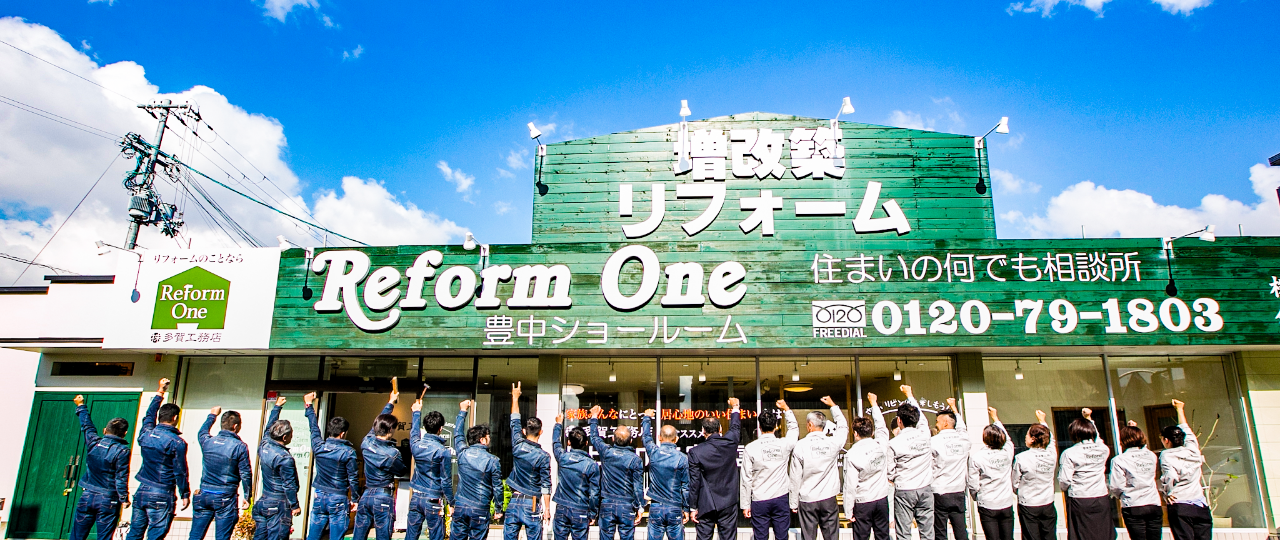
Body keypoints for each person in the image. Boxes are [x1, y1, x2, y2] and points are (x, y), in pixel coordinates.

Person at [126, 378, 191, 540]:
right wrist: (185, 493)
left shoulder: (146, 434)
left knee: (134, 533)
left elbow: (148, 416)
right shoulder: (177, 442)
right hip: (162, 492)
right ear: (175, 418)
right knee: (155, 536)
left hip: (142, 489)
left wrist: (160, 392)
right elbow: (180, 471)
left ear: (160, 416)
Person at [69, 394, 131, 540]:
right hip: (108, 498)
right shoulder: (122, 451)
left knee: (77, 536)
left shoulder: (93, 443)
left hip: (87, 494)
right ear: (124, 433)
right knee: (104, 537)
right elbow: (121, 477)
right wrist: (124, 498)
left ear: (104, 430)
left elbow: (87, 426)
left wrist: (81, 406)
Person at [303, 392, 361, 540]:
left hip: (319, 495)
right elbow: (353, 478)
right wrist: (355, 499)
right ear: (342, 434)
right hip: (338, 496)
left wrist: (309, 406)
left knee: (313, 536)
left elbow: (313, 429)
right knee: (336, 536)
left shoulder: (319, 446)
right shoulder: (348, 452)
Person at [190, 405, 252, 540]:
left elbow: (202, 432)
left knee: (195, 536)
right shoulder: (239, 447)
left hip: (204, 494)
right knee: (222, 537)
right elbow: (245, 473)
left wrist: (212, 415)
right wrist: (247, 496)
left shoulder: (208, 441)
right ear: (235, 427)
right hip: (225, 496)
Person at [789, 396, 847, 540]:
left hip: (807, 499)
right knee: (831, 536)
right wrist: (833, 406)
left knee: (808, 537)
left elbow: (795, 477)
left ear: (809, 425)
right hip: (828, 497)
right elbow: (843, 427)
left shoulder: (800, 446)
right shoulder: (833, 443)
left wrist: (793, 502)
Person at [354, 388, 409, 540]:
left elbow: (376, 423)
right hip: (383, 495)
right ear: (390, 430)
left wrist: (390, 402)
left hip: (366, 494)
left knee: (359, 535)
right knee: (383, 535)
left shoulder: (367, 442)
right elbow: (401, 470)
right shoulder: (392, 454)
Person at [741, 400, 799, 540]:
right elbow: (794, 430)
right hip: (781, 497)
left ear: (759, 427)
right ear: (776, 427)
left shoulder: (751, 447)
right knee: (782, 536)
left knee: (760, 537)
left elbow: (746, 478)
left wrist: (745, 504)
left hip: (759, 499)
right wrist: (786, 409)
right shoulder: (783, 444)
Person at [688, 398, 743, 540]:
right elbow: (735, 427)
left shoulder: (696, 452)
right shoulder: (730, 442)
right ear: (720, 429)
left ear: (702, 431)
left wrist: (693, 507)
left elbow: (695, 482)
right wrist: (735, 407)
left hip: (706, 502)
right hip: (728, 501)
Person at [588, 404, 645, 540]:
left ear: (613, 439)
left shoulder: (607, 452)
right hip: (626, 504)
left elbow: (594, 437)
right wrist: (640, 507)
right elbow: (637, 486)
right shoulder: (635, 460)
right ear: (631, 441)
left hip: (607, 503)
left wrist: (594, 417)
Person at [1058, 408, 1114, 540]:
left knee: (1081, 533)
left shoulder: (1069, 453)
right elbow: (1098, 439)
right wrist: (1089, 419)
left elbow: (1064, 481)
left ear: (1074, 434)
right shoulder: (1103, 449)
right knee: (1103, 532)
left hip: (1080, 498)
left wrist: (1065, 487)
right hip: (1101, 497)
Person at [505, 382, 552, 540]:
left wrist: (515, 398)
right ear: (541, 432)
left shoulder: (518, 444)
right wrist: (546, 509)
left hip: (513, 500)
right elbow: (546, 485)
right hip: (531, 503)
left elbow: (514, 420)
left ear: (524, 431)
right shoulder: (544, 456)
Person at [452, 399, 505, 540]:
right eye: (488, 437)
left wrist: (463, 411)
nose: (489, 440)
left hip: (461, 505)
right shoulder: (492, 460)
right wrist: (498, 508)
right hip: (480, 507)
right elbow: (498, 487)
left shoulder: (462, 454)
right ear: (482, 440)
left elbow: (457, 434)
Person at [888, 385, 935, 540]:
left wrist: (895, 477)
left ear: (899, 421)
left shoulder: (894, 443)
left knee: (903, 533)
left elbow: (889, 471)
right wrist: (909, 394)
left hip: (904, 489)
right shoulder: (925, 435)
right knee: (927, 532)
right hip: (925, 487)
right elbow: (922, 419)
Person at [1160, 399, 1211, 540]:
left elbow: (1170, 475)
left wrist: (1167, 492)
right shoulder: (1193, 450)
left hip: (1180, 503)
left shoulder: (1167, 454)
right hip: (1200, 504)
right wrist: (1180, 409)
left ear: (1166, 440)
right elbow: (1186, 430)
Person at [843, 393, 891, 540]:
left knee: (861, 537)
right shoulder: (881, 445)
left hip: (863, 501)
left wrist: (848, 510)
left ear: (855, 433)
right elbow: (882, 427)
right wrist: (874, 404)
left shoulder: (851, 454)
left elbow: (850, 485)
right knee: (883, 535)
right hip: (882, 498)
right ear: (872, 432)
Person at [405, 396, 454, 540]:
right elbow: (445, 480)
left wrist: (416, 412)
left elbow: (413, 433)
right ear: (440, 429)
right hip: (433, 498)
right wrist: (451, 502)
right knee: (436, 536)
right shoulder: (442, 451)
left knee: (411, 535)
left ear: (425, 428)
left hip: (416, 496)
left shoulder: (416, 445)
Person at [922, 391, 969, 540]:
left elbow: (928, 465)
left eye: (937, 421)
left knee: (940, 531)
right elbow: (962, 428)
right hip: (959, 490)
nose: (936, 424)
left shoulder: (933, 442)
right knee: (961, 530)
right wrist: (954, 408)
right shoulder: (963, 440)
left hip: (939, 491)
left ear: (945, 423)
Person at [254, 396, 301, 540]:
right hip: (279, 503)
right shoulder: (284, 458)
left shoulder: (264, 445)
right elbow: (289, 485)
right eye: (291, 434)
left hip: (264, 500)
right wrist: (295, 505)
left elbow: (268, 428)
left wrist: (277, 407)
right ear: (286, 437)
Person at [551, 413, 601, 540]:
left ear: (568, 442)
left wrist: (558, 424)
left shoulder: (563, 458)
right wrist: (593, 513)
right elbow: (594, 493)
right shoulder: (591, 465)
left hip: (562, 507)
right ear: (586, 442)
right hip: (581, 509)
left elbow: (556, 443)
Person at [642, 408, 690, 540]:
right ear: (676, 439)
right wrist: (686, 508)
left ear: (659, 438)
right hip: (675, 506)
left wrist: (647, 418)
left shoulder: (654, 453)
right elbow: (686, 487)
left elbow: (646, 437)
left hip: (656, 505)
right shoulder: (682, 458)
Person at [968, 408, 1015, 540]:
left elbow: (973, 483)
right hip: (1006, 501)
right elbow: (1009, 440)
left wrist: (976, 496)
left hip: (987, 502)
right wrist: (995, 418)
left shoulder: (977, 457)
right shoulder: (1007, 452)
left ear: (984, 438)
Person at [1109, 420, 1161, 540]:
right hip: (1153, 503)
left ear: (1122, 441)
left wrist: (1121, 495)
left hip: (1133, 504)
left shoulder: (1119, 460)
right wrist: (1135, 429)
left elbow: (1116, 486)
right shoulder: (1151, 456)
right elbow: (1144, 449)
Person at [1012, 411, 1057, 540]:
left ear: (1032, 438)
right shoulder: (1051, 455)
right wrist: (1043, 421)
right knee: (1049, 536)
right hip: (1048, 501)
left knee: (1030, 536)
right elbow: (1051, 441)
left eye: (1027, 434)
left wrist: (1020, 491)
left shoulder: (1021, 458)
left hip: (1028, 503)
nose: (1025, 437)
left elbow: (1015, 483)